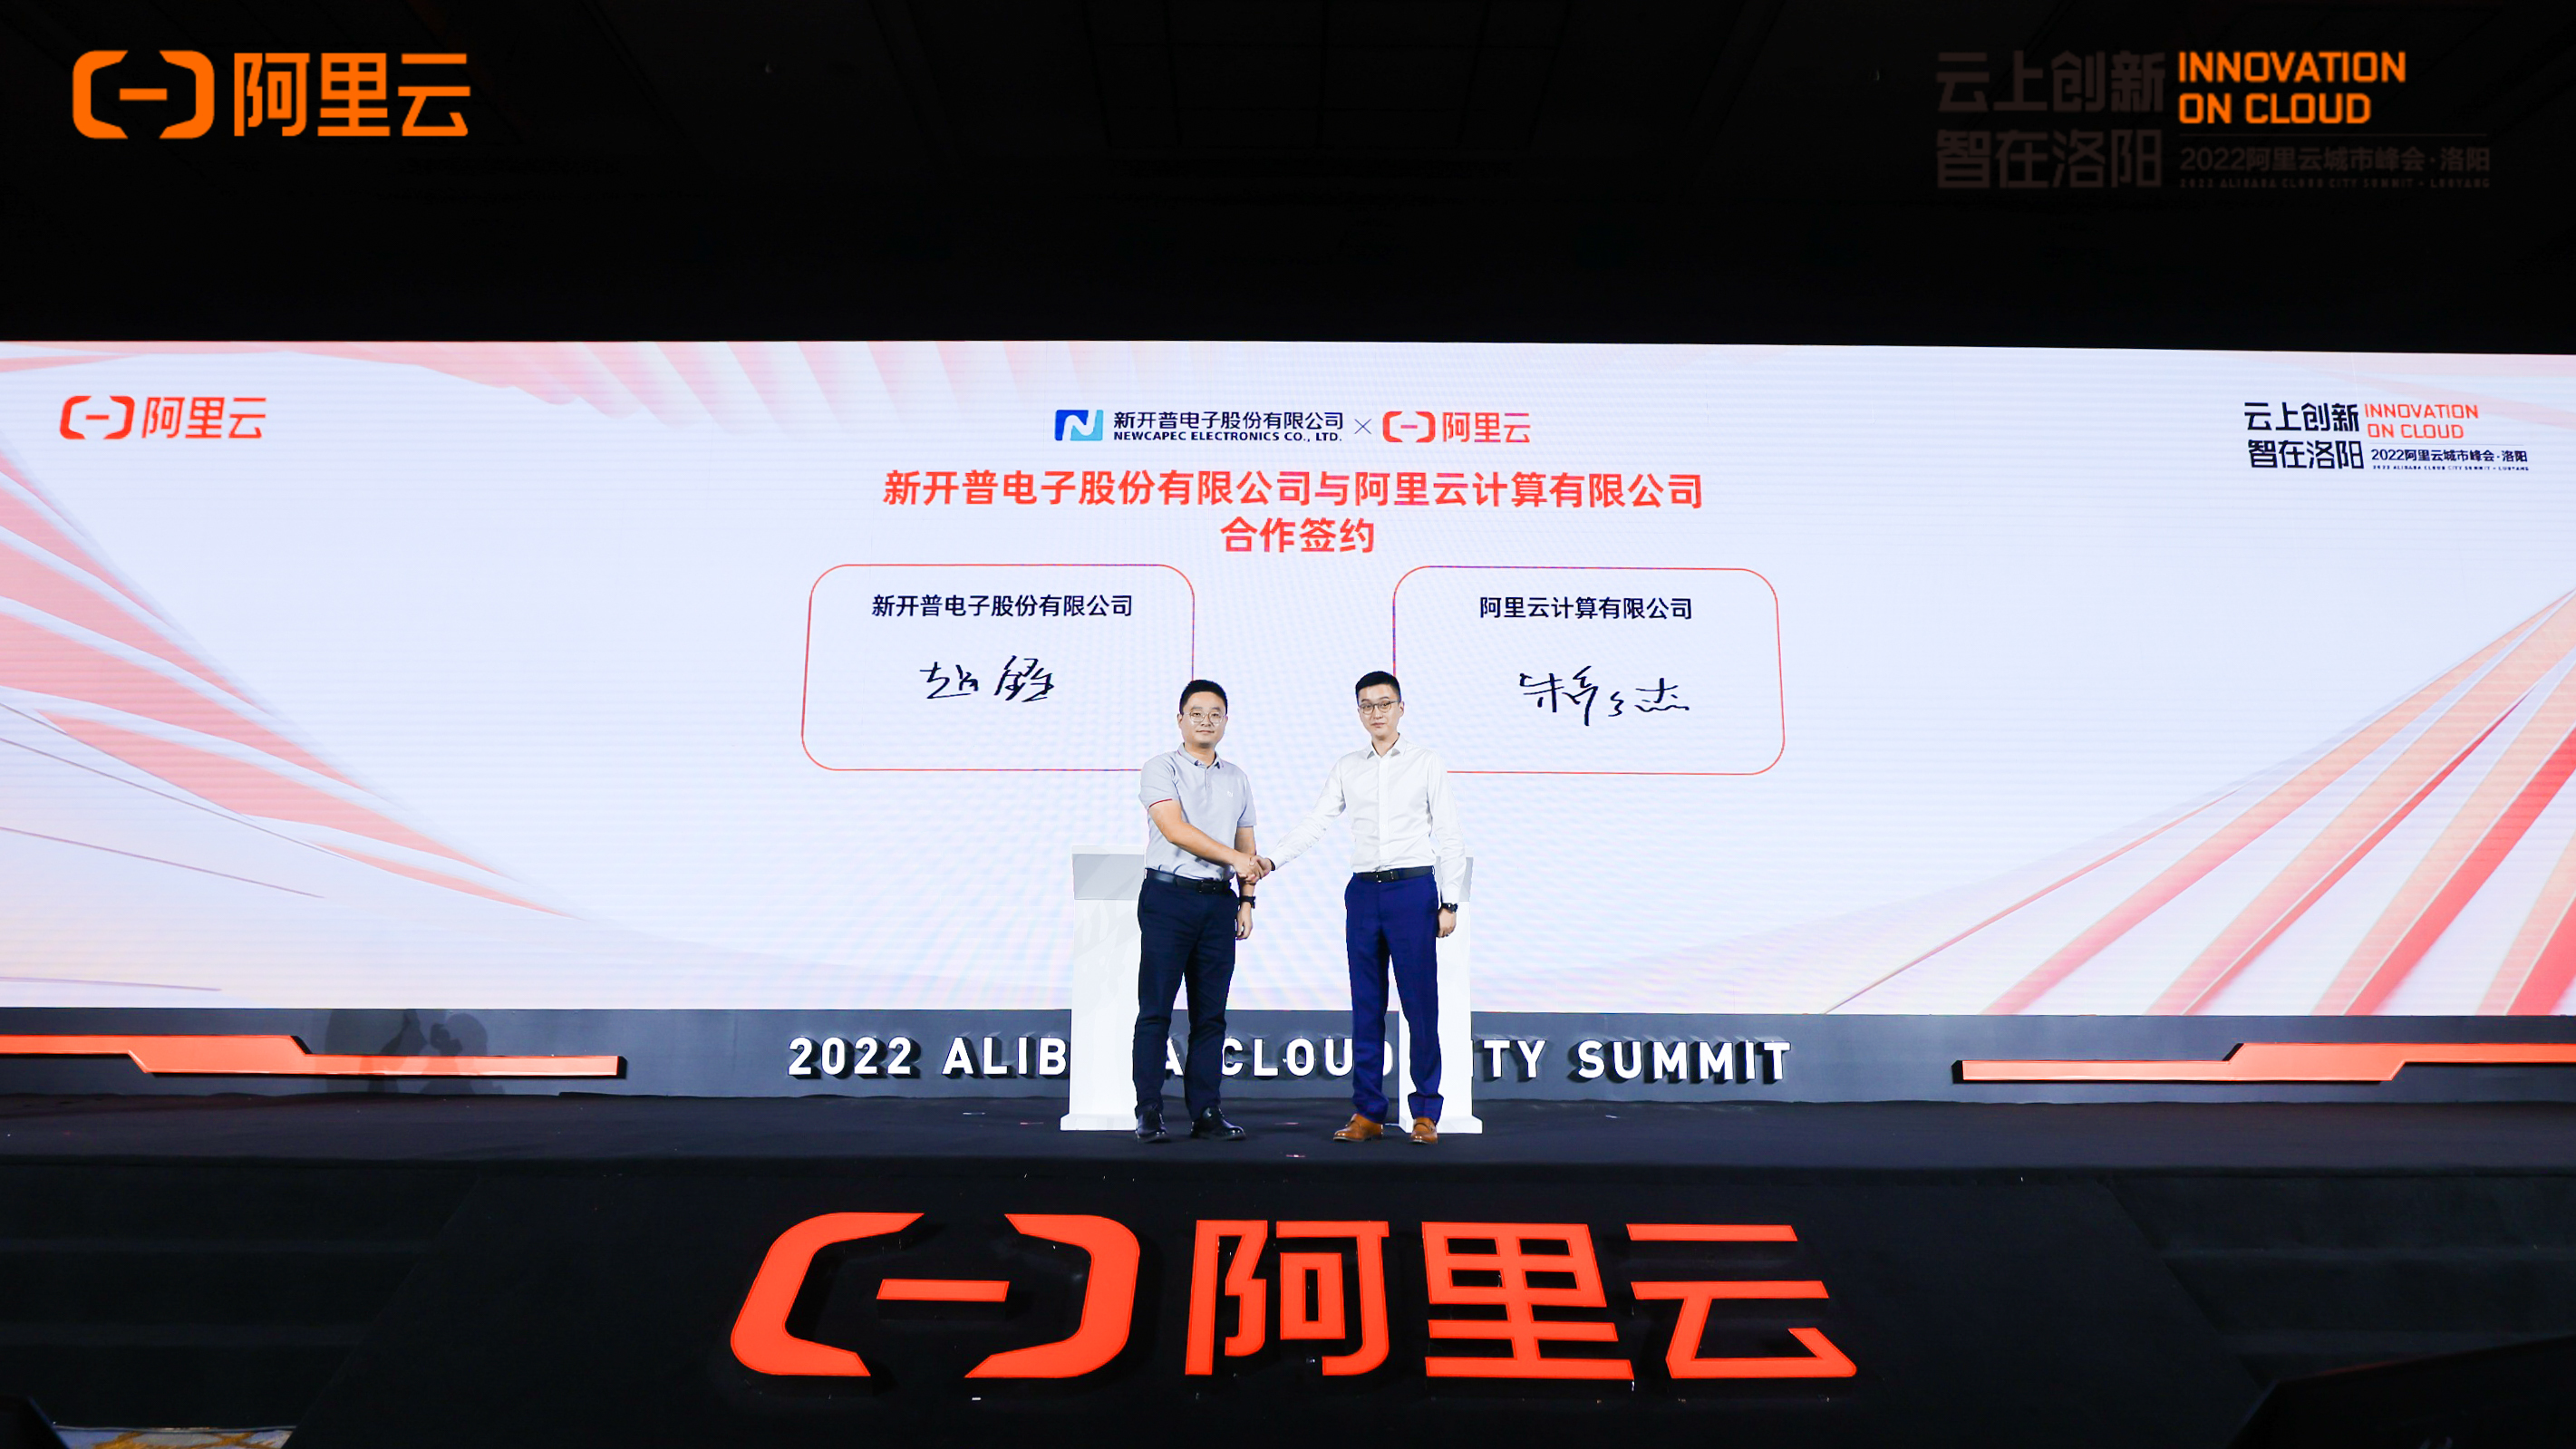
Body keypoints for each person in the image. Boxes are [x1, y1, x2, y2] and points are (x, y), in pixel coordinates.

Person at [1259, 671, 1465, 1145]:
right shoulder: (1347, 767)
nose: (1376, 713)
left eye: (1384, 703)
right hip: (1364, 893)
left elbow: (1449, 834)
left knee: (1420, 1005)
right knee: (1366, 1005)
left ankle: (1425, 1112)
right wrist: (1272, 859)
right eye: (1367, 706)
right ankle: (1368, 1112)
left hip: (1413, 891)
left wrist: (1449, 900)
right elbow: (1317, 822)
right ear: (1358, 713)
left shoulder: (1426, 762)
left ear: (1401, 708)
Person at [1131, 679, 1266, 1144]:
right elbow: (1174, 829)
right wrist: (1236, 861)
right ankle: (1149, 1111)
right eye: (1196, 713)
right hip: (1168, 899)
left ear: (1226, 721)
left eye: (1215, 714)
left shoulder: (1237, 777)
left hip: (1218, 903)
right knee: (1156, 1010)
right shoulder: (1160, 767)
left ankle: (1206, 1111)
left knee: (1211, 1016)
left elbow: (1247, 843)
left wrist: (1247, 899)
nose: (1206, 721)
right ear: (1180, 719)